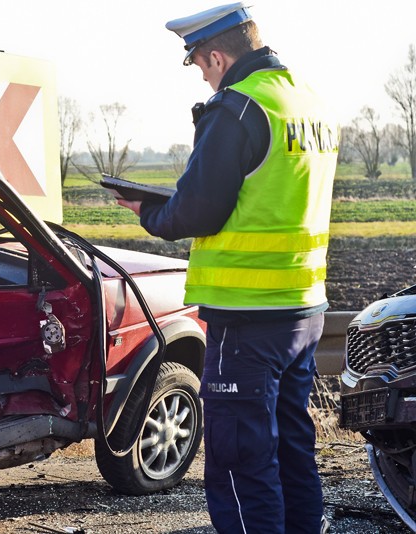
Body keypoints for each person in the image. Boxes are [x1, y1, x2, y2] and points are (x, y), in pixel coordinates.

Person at [115, 3, 338, 533]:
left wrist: (149, 211)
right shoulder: (308, 100)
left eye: (198, 64)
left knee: (241, 462)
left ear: (216, 56)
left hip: (248, 318)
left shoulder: (236, 107)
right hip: (304, 310)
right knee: (290, 449)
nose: (203, 75)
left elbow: (197, 211)